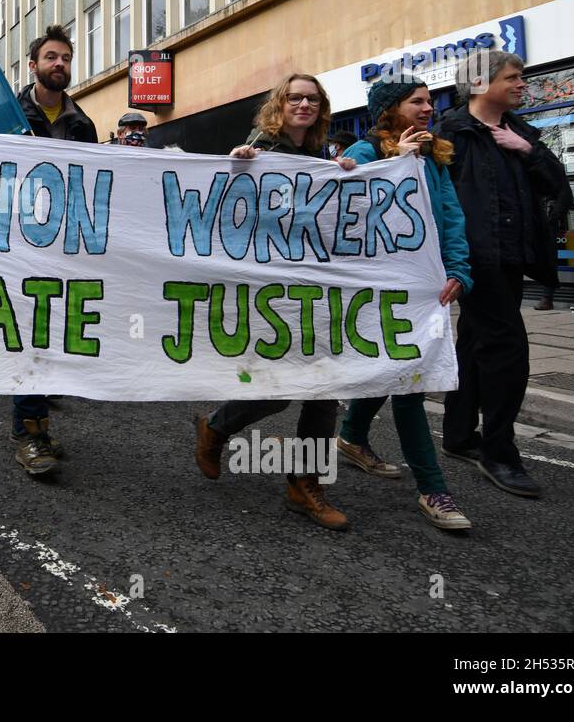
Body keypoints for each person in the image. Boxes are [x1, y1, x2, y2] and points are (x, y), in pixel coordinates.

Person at [193, 73, 359, 530]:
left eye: (312, 98)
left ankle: (304, 485)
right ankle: (217, 426)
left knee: (324, 389)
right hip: (271, 294)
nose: (304, 104)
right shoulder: (259, 153)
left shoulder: (321, 157)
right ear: (280, 105)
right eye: (295, 98)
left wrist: (346, 176)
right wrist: (237, 163)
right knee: (279, 392)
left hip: (318, 291)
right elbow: (230, 206)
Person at [337, 76, 475, 531]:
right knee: (410, 379)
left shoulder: (435, 157)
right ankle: (433, 488)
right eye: (417, 101)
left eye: (430, 102)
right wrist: (395, 164)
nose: (428, 108)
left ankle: (352, 437)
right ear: (389, 110)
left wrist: (458, 269)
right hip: (373, 288)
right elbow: (341, 204)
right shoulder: (364, 153)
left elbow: (449, 216)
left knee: (397, 368)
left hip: (421, 286)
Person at [436, 50, 570, 499]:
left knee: (475, 342)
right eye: (513, 78)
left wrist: (528, 151)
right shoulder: (450, 134)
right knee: (508, 349)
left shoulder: (522, 132)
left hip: (513, 259)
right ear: (480, 83)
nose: (521, 84)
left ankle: (457, 434)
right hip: (475, 262)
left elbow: (558, 186)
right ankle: (499, 453)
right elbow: (427, 199)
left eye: (522, 77)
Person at [7, 24, 97, 477]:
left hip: (65, 249)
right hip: (19, 248)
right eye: (51, 58)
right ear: (33, 65)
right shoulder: (8, 115)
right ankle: (29, 436)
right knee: (27, 336)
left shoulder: (83, 124)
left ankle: (38, 426)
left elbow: (98, 185)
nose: (59, 64)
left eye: (65, 58)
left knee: (50, 337)